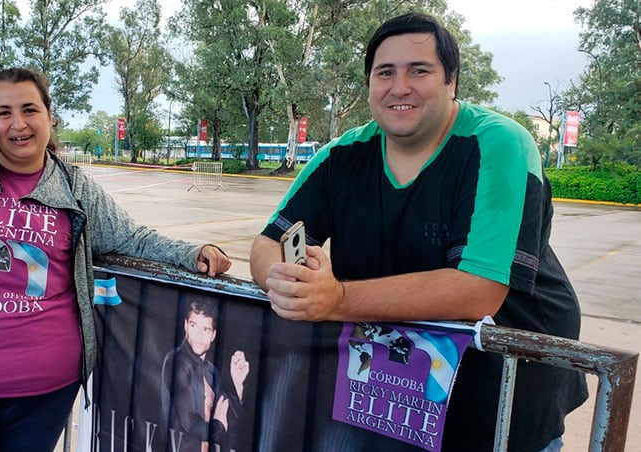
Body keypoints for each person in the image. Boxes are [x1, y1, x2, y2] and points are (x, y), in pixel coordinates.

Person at [249, 12, 587, 452]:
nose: (399, 87)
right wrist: (285, 284)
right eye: (384, 72)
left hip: (502, 401)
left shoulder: (499, 144)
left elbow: (478, 291)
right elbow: (267, 242)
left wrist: (336, 300)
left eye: (419, 71)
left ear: (452, 82)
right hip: (391, 398)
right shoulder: (341, 155)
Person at [0, 67, 231, 452]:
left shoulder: (73, 186)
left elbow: (131, 238)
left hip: (43, 393)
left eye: (30, 109)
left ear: (49, 117)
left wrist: (191, 253)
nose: (18, 124)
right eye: (4, 112)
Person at [161, 298, 249, 452]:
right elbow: (191, 424)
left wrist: (237, 383)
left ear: (213, 335)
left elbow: (230, 423)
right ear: (186, 326)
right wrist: (219, 425)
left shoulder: (211, 371)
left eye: (206, 329)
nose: (199, 336)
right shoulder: (176, 361)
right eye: (194, 326)